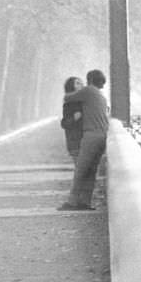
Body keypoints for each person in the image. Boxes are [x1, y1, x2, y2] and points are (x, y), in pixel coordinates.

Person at [57, 69, 109, 211]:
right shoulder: (101, 96)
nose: (83, 84)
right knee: (91, 171)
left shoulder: (88, 91)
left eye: (84, 81)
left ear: (90, 80)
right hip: (104, 136)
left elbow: (67, 98)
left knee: (80, 170)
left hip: (91, 136)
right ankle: (85, 202)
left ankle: (72, 202)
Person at [60, 77, 84, 159]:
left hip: (87, 141)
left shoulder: (86, 100)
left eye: (81, 82)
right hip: (75, 143)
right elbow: (64, 123)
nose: (81, 84)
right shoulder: (69, 103)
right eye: (77, 83)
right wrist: (74, 118)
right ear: (71, 86)